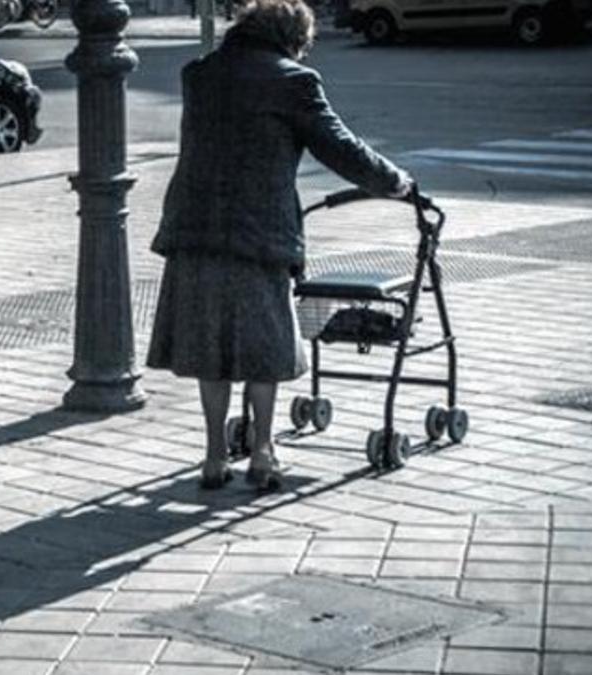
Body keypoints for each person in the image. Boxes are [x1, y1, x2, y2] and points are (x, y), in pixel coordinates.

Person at [147, 0, 412, 491]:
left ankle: (212, 456)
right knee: (263, 345)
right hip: (258, 232)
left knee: (212, 343)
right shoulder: (293, 81)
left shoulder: (199, 74)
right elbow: (340, 146)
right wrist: (394, 181)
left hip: (196, 226)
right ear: (292, 39)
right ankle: (263, 453)